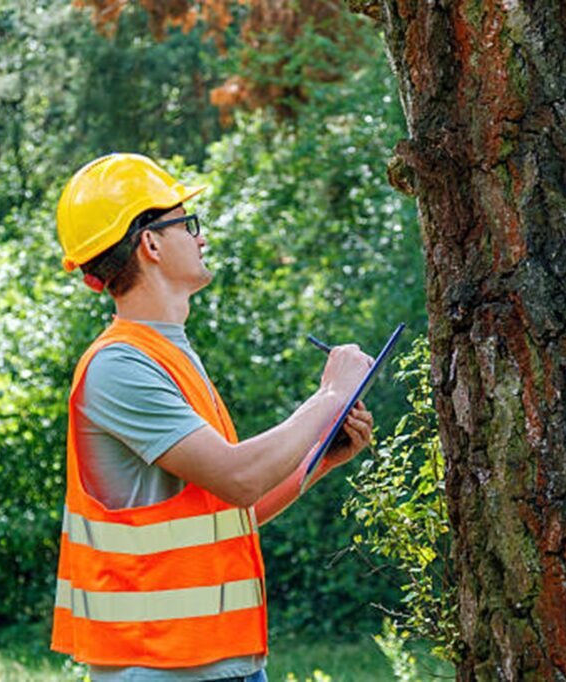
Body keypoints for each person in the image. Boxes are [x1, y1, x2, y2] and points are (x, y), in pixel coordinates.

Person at [51, 153, 374, 682]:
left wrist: (319, 460)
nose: (201, 238)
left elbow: (228, 506)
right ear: (151, 243)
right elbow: (240, 476)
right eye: (188, 224)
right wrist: (329, 397)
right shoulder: (118, 367)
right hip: (161, 668)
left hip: (217, 666)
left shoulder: (165, 354)